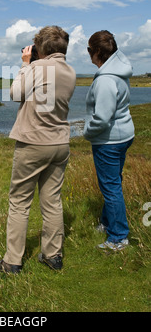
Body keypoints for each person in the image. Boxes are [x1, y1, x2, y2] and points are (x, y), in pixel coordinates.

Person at [0, 26, 76, 274]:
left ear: (41, 49)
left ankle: (12, 261)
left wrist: (26, 64)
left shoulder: (37, 68)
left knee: (19, 202)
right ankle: (53, 255)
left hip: (33, 143)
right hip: (59, 143)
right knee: (52, 201)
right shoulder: (70, 72)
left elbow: (15, 93)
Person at [84, 30, 135, 251]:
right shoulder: (119, 73)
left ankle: (118, 238)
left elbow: (102, 118)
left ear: (96, 52)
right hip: (124, 135)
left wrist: (87, 132)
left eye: (88, 50)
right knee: (113, 183)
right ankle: (107, 223)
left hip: (109, 141)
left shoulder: (105, 80)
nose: (88, 55)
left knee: (111, 187)